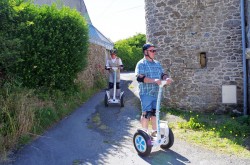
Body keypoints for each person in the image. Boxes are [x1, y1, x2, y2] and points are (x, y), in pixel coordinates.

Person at [135, 43, 173, 136]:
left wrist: (166, 78)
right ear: (145, 52)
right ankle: (144, 134)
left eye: (154, 50)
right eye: (152, 51)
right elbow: (140, 78)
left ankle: (155, 132)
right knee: (147, 113)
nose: (154, 52)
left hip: (157, 93)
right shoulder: (141, 64)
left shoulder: (157, 63)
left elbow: (162, 74)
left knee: (155, 113)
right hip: (146, 92)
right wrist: (154, 80)